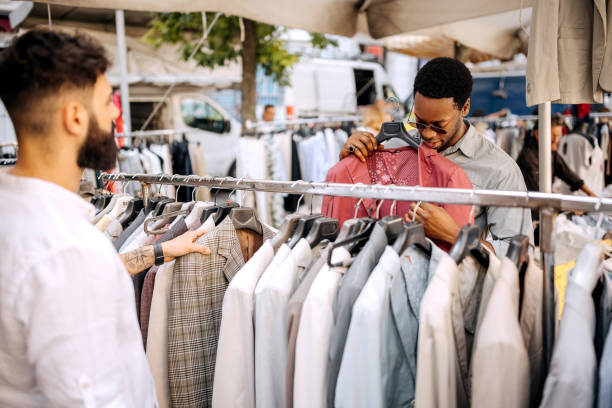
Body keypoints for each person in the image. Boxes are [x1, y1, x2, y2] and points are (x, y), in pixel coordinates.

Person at [0, 29, 210, 405]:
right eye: (106, 100)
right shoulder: (67, 250)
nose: (116, 112)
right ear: (75, 117)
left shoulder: (18, 215)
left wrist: (160, 251)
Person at [340, 57, 533, 255]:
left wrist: (455, 235)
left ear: (465, 108)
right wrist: (352, 159)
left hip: (451, 281)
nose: (427, 133)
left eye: (439, 125)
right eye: (420, 122)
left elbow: (520, 255)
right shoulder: (393, 147)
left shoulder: (500, 170)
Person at [516, 113, 597, 197]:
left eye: (559, 136)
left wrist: (590, 193)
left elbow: (567, 173)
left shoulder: (550, 152)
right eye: (553, 135)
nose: (556, 140)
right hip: (530, 207)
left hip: (542, 204)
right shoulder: (527, 157)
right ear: (537, 134)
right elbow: (537, 191)